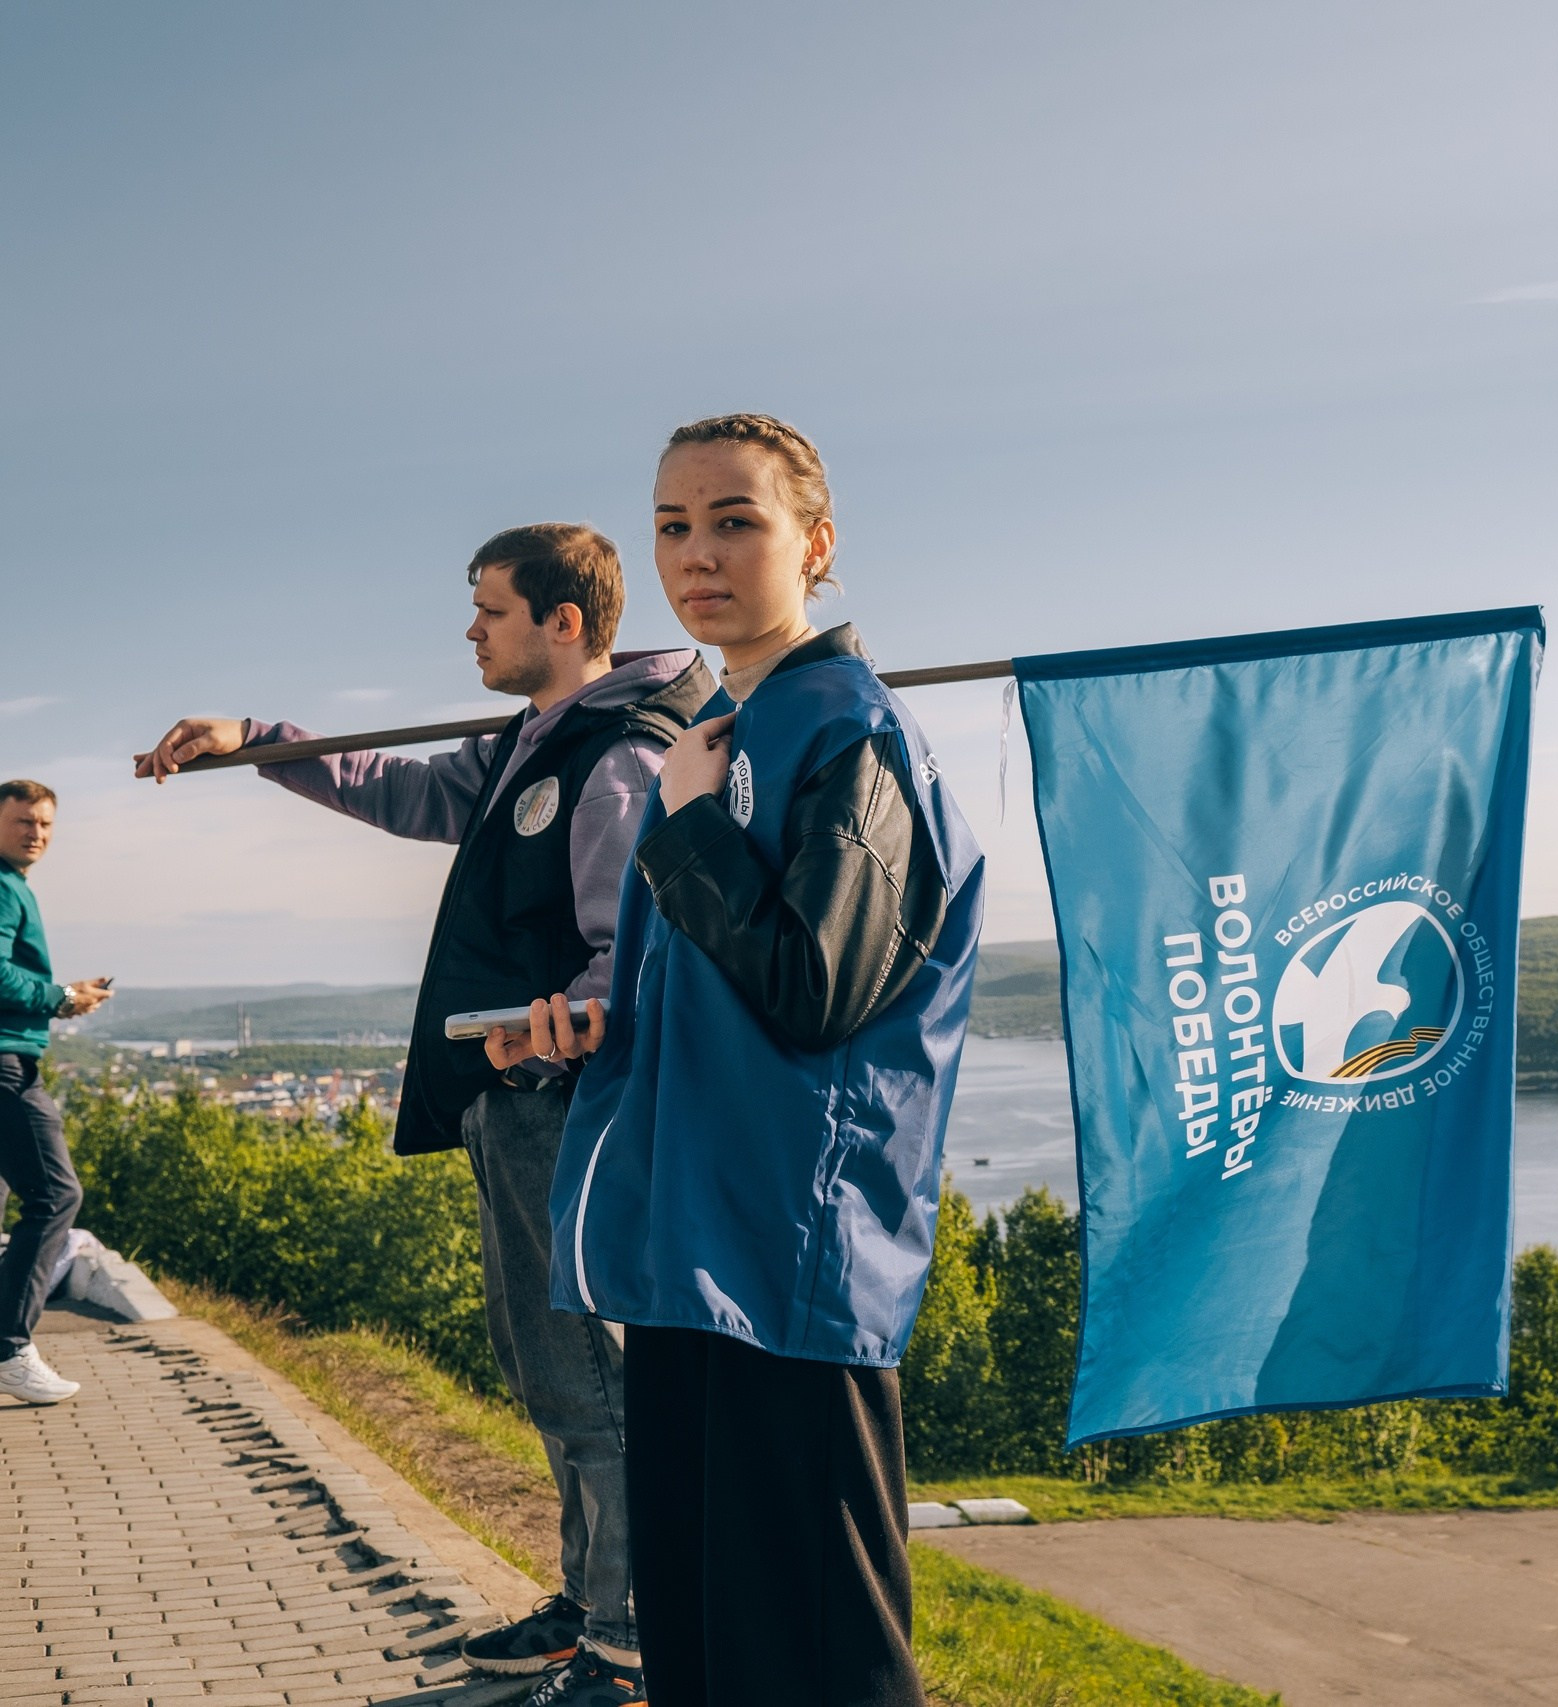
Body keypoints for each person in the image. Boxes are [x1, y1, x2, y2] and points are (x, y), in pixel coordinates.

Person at [138, 525, 713, 1704]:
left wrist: (570, 1023)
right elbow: (401, 788)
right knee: (544, 1361)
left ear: (562, 621)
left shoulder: (614, 756)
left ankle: (630, 1645)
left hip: (569, 1106)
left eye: (489, 610)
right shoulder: (530, 745)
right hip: (516, 1100)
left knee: (587, 1374)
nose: (469, 630)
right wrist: (261, 741)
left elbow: (638, 944)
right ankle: (589, 1601)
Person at [490, 415, 983, 1705]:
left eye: (733, 520)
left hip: (789, 1265)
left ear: (814, 544)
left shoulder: (847, 732)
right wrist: (590, 1030)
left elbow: (816, 986)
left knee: (819, 1663)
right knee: (707, 1649)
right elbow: (720, 992)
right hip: (688, 1256)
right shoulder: (724, 730)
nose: (696, 554)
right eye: (670, 524)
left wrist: (693, 825)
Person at [0, 780, 113, 1406]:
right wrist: (61, 997)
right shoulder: (1, 885)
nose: (35, 834)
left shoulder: (14, 886)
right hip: (5, 1065)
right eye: (22, 821)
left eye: (44, 824)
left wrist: (61, 1000)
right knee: (54, 1192)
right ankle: (10, 1349)